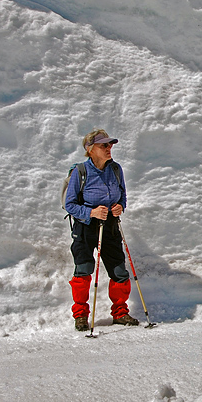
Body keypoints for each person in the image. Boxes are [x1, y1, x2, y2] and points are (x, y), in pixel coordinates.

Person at [64, 129, 140, 331]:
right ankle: (80, 316)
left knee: (119, 272)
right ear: (90, 150)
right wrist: (91, 212)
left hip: (111, 228)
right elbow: (69, 205)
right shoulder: (80, 172)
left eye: (110, 144)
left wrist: (120, 206)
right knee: (83, 271)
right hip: (86, 228)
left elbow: (122, 196)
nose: (109, 148)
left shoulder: (115, 169)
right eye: (103, 145)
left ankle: (120, 313)